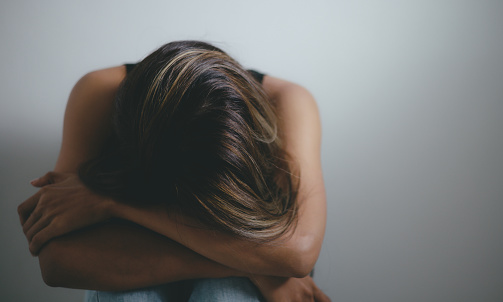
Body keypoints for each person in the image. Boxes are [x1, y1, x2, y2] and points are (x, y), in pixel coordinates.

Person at [17, 41, 329, 301]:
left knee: (225, 296)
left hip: (132, 248)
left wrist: (112, 203)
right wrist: (255, 266)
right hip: (224, 255)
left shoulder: (287, 102)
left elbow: (298, 253)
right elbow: (58, 262)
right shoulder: (100, 91)